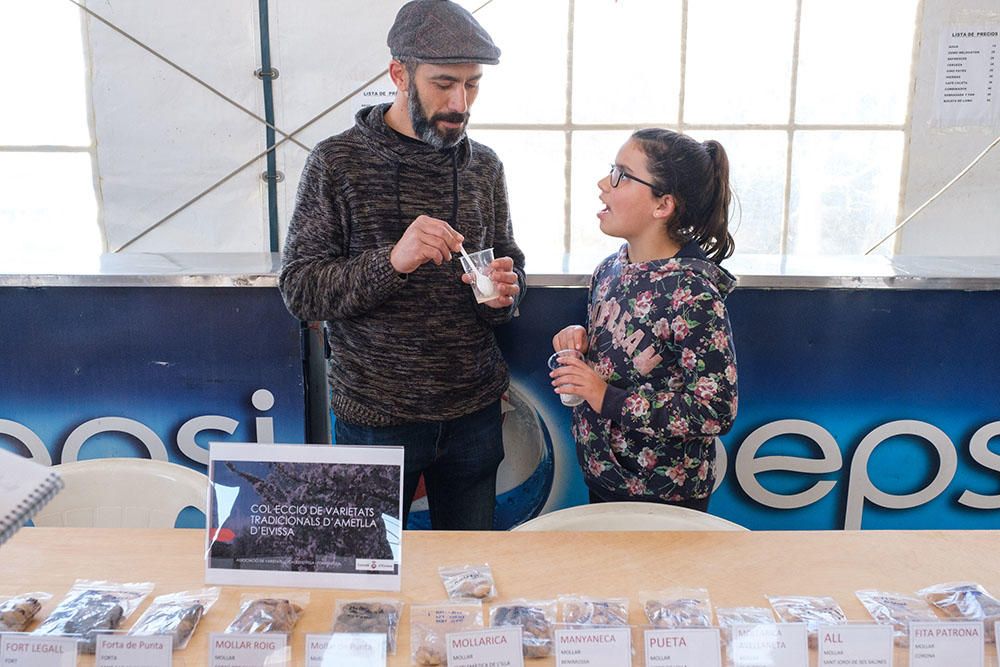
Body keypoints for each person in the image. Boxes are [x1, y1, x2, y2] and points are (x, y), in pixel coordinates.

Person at [279, 0, 525, 530]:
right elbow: (301, 290)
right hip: (376, 418)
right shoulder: (336, 162)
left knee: (470, 579)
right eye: (443, 84)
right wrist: (393, 262)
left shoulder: (484, 166)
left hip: (474, 411)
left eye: (473, 85)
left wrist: (506, 291)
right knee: (372, 590)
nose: (460, 103)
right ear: (399, 74)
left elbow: (510, 262)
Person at [550, 129, 738, 512]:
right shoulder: (609, 269)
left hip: (666, 497)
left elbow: (715, 410)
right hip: (603, 477)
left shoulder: (693, 293)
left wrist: (606, 397)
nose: (603, 184)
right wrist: (581, 341)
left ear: (662, 205)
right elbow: (622, 353)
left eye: (621, 175)